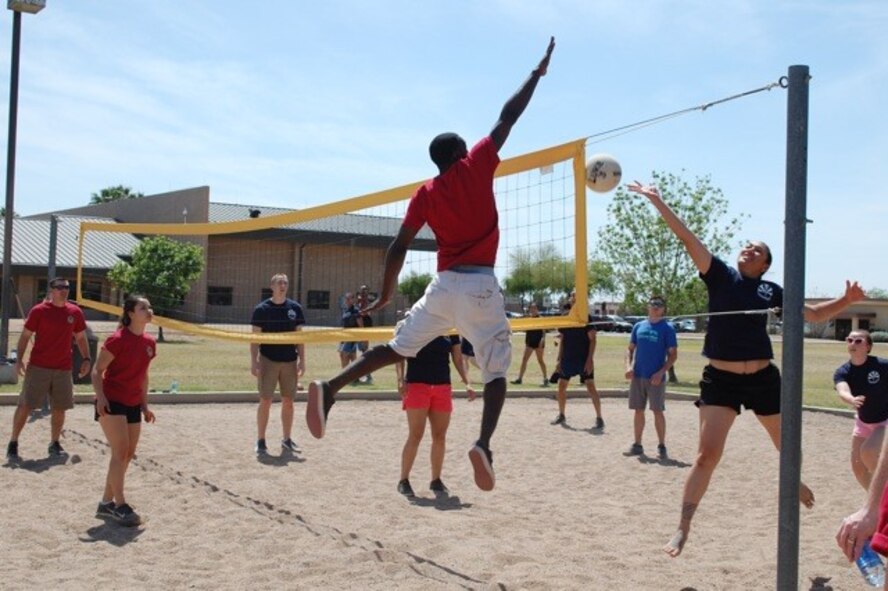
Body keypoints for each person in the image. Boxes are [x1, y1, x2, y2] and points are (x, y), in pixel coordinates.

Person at [307, 37, 556, 492]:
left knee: (399, 348)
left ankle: (332, 387)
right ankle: (483, 443)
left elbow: (398, 246)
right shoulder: (476, 164)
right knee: (497, 371)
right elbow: (508, 115)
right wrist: (536, 74)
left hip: (442, 287)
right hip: (480, 287)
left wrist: (386, 293)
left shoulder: (425, 192)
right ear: (461, 152)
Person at [627, 180, 866, 558]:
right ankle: (683, 527)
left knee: (787, 446)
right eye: (746, 245)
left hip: (762, 379)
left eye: (756, 249)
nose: (748, 248)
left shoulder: (772, 291)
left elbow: (814, 314)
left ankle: (794, 481)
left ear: (765, 263)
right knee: (707, 456)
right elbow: (688, 239)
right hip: (720, 381)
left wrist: (847, 300)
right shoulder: (720, 275)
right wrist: (658, 201)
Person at [5, 277, 91, 462]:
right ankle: (13, 442)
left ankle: (54, 442)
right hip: (38, 367)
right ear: (51, 290)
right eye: (59, 287)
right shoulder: (39, 311)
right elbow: (25, 336)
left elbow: (81, 338)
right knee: (26, 405)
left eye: (67, 287)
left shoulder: (75, 312)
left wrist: (86, 358)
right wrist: (19, 360)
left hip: (63, 368)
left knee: (60, 407)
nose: (64, 290)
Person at [92, 295, 156, 527]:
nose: (149, 310)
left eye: (149, 307)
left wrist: (145, 405)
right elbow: (97, 371)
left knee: (127, 454)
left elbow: (143, 376)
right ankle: (120, 505)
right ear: (130, 313)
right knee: (119, 452)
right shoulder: (117, 340)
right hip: (112, 401)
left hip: (132, 403)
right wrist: (100, 398)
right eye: (143, 307)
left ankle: (106, 503)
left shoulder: (149, 343)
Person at [394, 333, 474, 497]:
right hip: (417, 385)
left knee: (440, 436)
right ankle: (403, 480)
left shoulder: (450, 327)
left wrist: (467, 382)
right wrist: (400, 379)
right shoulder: (415, 322)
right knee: (416, 435)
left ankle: (436, 480)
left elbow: (458, 359)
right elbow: (399, 354)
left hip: (442, 386)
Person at [250, 273, 306, 456]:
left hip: (290, 360)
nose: (283, 285)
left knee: (288, 401)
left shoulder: (295, 308)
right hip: (268, 360)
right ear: (272, 286)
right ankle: (260, 440)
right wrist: (254, 361)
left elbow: (300, 337)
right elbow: (254, 339)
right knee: (265, 400)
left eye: (286, 283)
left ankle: (287, 439)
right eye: (279, 282)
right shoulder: (262, 309)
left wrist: (302, 361)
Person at [624, 295, 678, 459]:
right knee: (638, 411)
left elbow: (673, 356)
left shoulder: (667, 329)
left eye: (659, 305)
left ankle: (662, 446)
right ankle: (637, 445)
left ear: (663, 309)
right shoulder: (639, 326)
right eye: (653, 304)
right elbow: (630, 350)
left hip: (656, 378)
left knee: (657, 411)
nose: (656, 307)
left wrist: (661, 372)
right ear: (647, 307)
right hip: (638, 376)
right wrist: (628, 366)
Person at [834, 329, 888, 489]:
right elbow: (842, 390)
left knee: (869, 451)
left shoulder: (882, 365)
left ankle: (882, 493)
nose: (853, 344)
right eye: (849, 340)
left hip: (885, 419)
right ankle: (876, 506)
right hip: (863, 421)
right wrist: (851, 399)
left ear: (868, 347)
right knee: (858, 467)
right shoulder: (843, 371)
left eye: (858, 341)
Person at [551, 291, 604, 429]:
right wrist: (559, 360)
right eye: (572, 296)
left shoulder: (586, 317)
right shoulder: (566, 318)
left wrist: (589, 360)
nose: (574, 298)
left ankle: (599, 418)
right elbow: (562, 341)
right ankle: (561, 414)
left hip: (583, 358)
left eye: (577, 295)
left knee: (591, 387)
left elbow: (593, 340)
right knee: (562, 386)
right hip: (568, 358)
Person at [511, 302, 548, 387]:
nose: (533, 310)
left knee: (540, 360)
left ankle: (545, 379)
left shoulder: (541, 318)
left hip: (538, 342)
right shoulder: (528, 318)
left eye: (534, 308)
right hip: (530, 342)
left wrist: (542, 340)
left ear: (537, 309)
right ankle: (519, 379)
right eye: (531, 308)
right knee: (524, 359)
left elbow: (544, 331)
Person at [337, 292, 363, 373]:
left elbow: (361, 325)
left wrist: (360, 337)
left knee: (344, 354)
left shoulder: (355, 311)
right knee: (349, 355)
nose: (347, 300)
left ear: (353, 300)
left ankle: (345, 375)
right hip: (344, 336)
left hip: (352, 337)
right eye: (346, 298)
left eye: (349, 298)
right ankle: (353, 375)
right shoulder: (345, 310)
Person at [356, 285, 374, 384]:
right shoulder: (361, 303)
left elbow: (365, 315)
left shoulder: (366, 303)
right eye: (363, 291)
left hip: (365, 332)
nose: (364, 293)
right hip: (361, 331)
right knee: (362, 352)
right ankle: (364, 375)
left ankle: (368, 375)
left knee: (365, 353)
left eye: (365, 291)